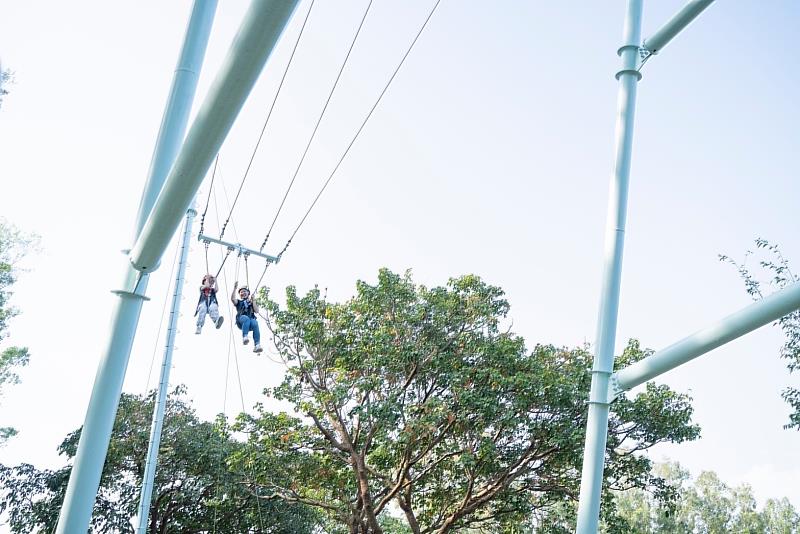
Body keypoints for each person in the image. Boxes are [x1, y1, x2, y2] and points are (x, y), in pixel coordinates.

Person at [231, 281, 263, 353]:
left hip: (250, 323)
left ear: (248, 293)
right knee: (246, 318)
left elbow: (257, 311)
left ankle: (257, 345)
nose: (243, 293)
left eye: (244, 291)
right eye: (241, 292)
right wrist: (235, 288)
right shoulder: (239, 302)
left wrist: (253, 300)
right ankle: (245, 336)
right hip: (241, 321)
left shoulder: (251, 303)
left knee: (255, 322)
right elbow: (233, 299)